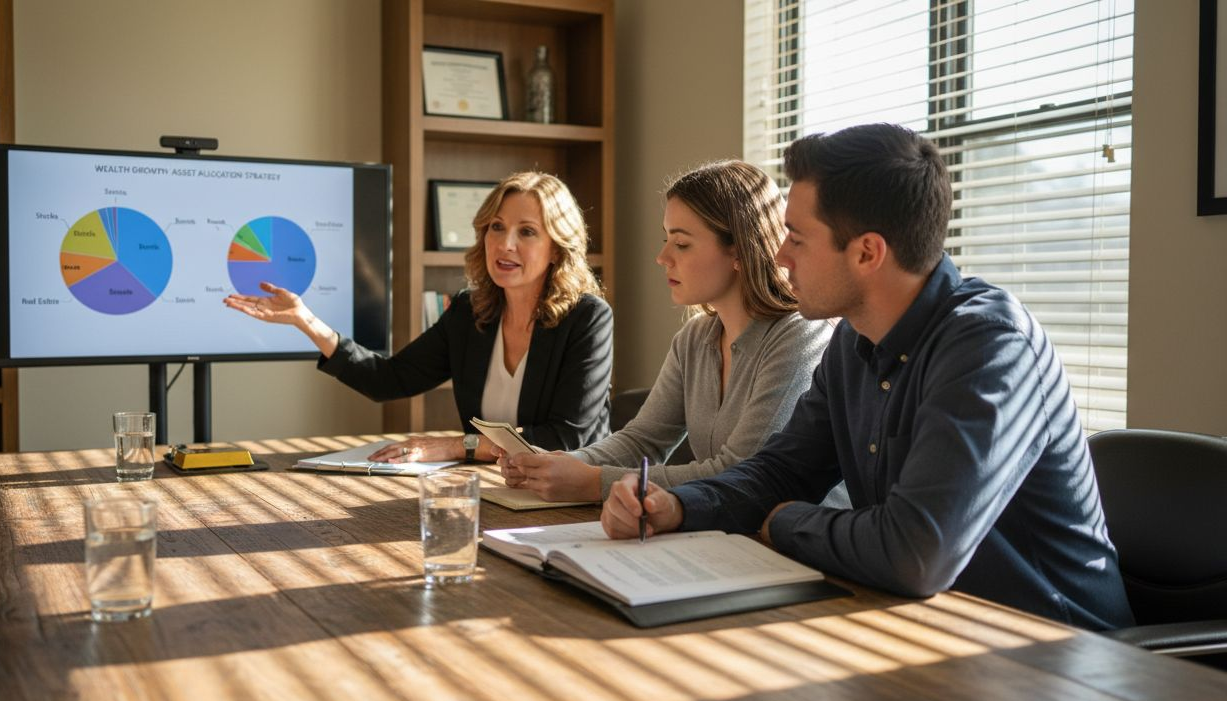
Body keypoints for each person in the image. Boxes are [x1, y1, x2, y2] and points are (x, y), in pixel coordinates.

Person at [602, 124, 1134, 631]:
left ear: (867, 252)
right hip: (926, 633)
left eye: (797, 239)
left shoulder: (990, 348)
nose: (780, 257)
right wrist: (677, 507)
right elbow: (782, 472)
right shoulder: (854, 342)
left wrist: (784, 521)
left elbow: (914, 553)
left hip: (1058, 657)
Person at [497, 160, 833, 502]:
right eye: (665, 239)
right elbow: (642, 441)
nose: (662, 257)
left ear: (739, 249)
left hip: (792, 545)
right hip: (725, 531)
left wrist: (592, 481)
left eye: (682, 244)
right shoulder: (694, 339)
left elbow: (742, 470)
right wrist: (555, 464)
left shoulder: (800, 337)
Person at [224, 171, 613, 463]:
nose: (504, 244)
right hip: (494, 488)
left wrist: (453, 446)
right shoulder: (469, 311)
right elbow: (389, 379)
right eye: (497, 227)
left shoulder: (588, 319)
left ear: (557, 249)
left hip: (568, 498)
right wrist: (305, 320)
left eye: (526, 232)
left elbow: (565, 438)